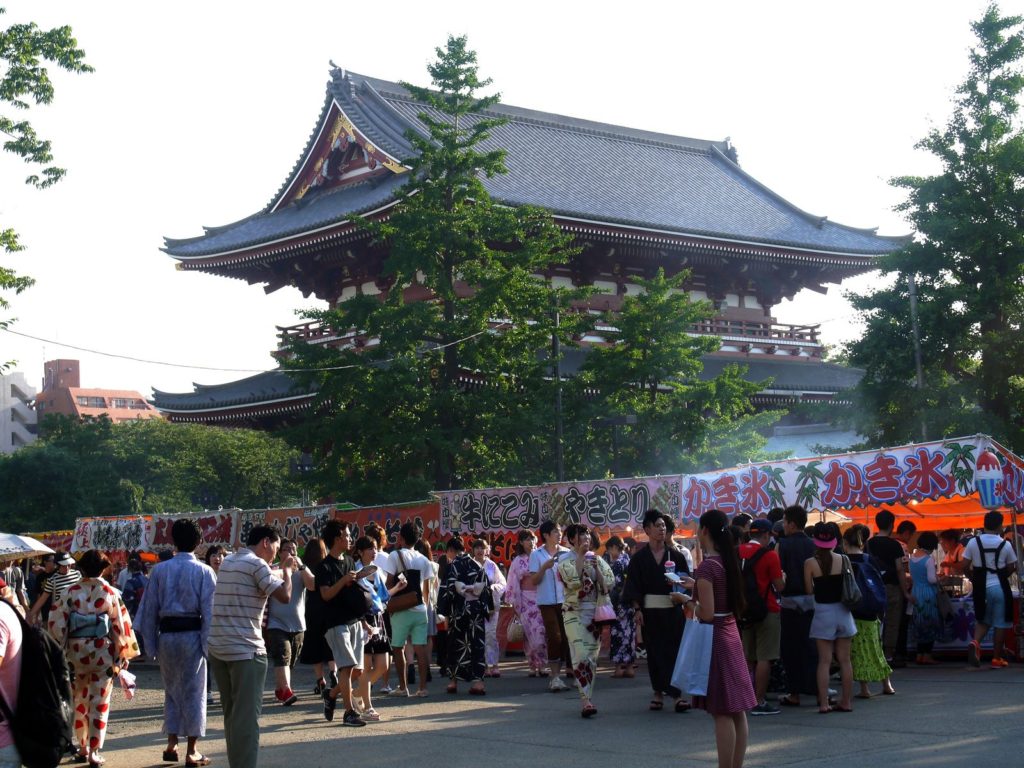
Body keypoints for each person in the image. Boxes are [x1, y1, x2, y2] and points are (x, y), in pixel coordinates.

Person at [208, 526, 294, 767]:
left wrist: (278, 569)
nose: (277, 555)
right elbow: (285, 596)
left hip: (219, 648)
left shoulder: (230, 561)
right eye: (276, 548)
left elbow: (264, 575)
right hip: (245, 651)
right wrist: (287, 570)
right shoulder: (257, 565)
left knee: (233, 717)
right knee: (246, 720)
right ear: (266, 542)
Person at [135, 518, 217, 767]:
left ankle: (172, 743)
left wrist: (150, 645)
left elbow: (148, 611)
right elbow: (210, 613)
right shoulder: (205, 571)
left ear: (173, 541)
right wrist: (207, 646)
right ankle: (192, 750)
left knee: (171, 691)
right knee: (195, 692)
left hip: (167, 637)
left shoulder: (160, 570)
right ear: (199, 542)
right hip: (192, 636)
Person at [49, 549, 140, 767]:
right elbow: (121, 625)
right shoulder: (111, 592)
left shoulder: (70, 592)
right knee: (100, 702)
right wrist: (123, 653)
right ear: (104, 568)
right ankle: (94, 752)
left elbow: (57, 624)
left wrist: (59, 649)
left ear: (81, 568)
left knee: (79, 699)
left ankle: (82, 747)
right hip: (103, 652)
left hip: (76, 653)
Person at [692, 509, 756, 768]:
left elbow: (706, 613)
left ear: (704, 530)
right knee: (737, 709)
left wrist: (687, 602)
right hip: (731, 633)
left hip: (716, 637)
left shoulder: (707, 567)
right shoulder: (727, 562)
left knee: (721, 711)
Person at [623, 510, 691, 712]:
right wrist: (637, 609)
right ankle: (658, 693)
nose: (662, 529)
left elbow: (686, 581)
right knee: (654, 653)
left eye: (664, 526)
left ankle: (677, 695)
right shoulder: (638, 558)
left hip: (672, 609)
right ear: (647, 529)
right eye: (658, 525)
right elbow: (633, 585)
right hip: (650, 611)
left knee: (675, 651)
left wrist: (681, 591)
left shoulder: (676, 556)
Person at [316, 520, 371, 726]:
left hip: (354, 620)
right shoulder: (324, 566)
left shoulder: (348, 561)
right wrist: (344, 580)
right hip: (335, 622)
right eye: (347, 535)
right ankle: (349, 713)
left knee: (356, 670)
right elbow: (326, 594)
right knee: (346, 668)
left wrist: (364, 621)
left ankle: (330, 695)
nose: (350, 539)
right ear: (338, 538)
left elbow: (354, 592)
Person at [556, 524, 613, 718]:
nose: (585, 538)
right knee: (580, 653)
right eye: (580, 535)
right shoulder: (564, 559)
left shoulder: (597, 559)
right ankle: (585, 699)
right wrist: (580, 556)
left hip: (593, 614)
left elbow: (608, 584)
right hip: (573, 612)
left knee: (591, 657)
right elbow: (572, 582)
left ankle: (587, 696)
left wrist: (597, 571)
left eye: (587, 534)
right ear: (572, 539)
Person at [804, 522, 856, 714]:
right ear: (834, 540)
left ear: (815, 541)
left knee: (824, 661)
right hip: (843, 612)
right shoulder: (844, 560)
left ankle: (824, 703)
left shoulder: (810, 563)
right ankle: (846, 702)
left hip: (822, 613)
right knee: (845, 660)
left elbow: (809, 591)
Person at [738, 518, 785, 715]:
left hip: (744, 610)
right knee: (765, 657)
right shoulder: (769, 555)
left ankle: (745, 698)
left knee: (748, 657)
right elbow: (779, 586)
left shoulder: (736, 551)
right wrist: (783, 578)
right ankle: (758, 700)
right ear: (766, 535)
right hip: (767, 609)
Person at [381, 522, 432, 698]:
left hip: (401, 609)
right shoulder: (424, 560)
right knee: (420, 648)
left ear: (401, 538)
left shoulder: (394, 556)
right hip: (420, 609)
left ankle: (403, 688)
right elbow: (426, 590)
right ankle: (423, 688)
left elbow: (388, 583)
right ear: (418, 539)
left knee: (397, 647)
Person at [843, 527, 894, 698]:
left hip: (853, 611)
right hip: (871, 610)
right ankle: (887, 684)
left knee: (858, 652)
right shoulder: (869, 559)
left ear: (845, 543)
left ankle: (865, 689)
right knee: (876, 648)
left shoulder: (843, 560)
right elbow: (880, 582)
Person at [962, 510, 1017, 668]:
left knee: (982, 618)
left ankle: (975, 642)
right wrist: (1001, 576)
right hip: (999, 587)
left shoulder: (973, 542)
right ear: (1000, 525)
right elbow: (1011, 566)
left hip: (980, 588)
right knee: (1000, 623)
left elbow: (964, 566)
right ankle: (996, 658)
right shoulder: (1005, 544)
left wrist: (973, 578)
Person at [776, 505, 818, 707]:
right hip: (812, 604)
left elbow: (777, 577)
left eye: (785, 522)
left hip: (789, 603)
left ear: (792, 524)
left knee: (790, 649)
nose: (783, 526)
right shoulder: (814, 545)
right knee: (813, 648)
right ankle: (819, 690)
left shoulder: (781, 545)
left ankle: (794, 693)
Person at [353, 535, 398, 722]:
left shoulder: (378, 571)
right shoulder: (354, 571)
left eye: (375, 548)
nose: (374, 552)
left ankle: (356, 693)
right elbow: (354, 600)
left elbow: (384, 597)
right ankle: (368, 707)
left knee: (383, 665)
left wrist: (399, 588)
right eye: (370, 548)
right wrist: (363, 622)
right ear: (361, 552)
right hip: (363, 620)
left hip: (379, 619)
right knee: (366, 666)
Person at [266, 539, 315, 706]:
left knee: (290, 660)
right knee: (282, 657)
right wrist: (284, 569)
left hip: (298, 623)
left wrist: (301, 566)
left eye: (293, 550)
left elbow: (313, 585)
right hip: (276, 623)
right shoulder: (273, 570)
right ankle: (287, 691)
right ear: (280, 552)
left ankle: (281, 689)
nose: (291, 553)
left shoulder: (302, 570)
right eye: (286, 549)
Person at [442, 537, 490, 695]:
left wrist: (446, 614)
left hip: (459, 611)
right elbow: (485, 590)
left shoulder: (452, 566)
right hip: (475, 610)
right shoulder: (478, 565)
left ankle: (453, 681)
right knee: (477, 644)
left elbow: (447, 591)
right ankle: (478, 683)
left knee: (456, 645)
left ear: (451, 551)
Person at [529, 520, 571, 692]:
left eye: (560, 531)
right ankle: (554, 677)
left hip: (566, 601)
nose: (559, 534)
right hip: (546, 602)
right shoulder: (536, 555)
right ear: (546, 535)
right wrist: (544, 568)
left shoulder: (567, 553)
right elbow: (534, 580)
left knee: (567, 638)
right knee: (555, 637)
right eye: (555, 531)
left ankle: (566, 674)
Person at [867, 510, 912, 668]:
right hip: (892, 587)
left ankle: (874, 653)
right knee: (892, 621)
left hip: (873, 588)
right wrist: (905, 591)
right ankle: (888, 655)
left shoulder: (869, 543)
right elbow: (900, 569)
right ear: (892, 525)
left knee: (875, 621)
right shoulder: (895, 545)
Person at [504, 530, 548, 676]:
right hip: (525, 600)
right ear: (521, 543)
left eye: (532, 539)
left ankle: (542, 665)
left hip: (542, 597)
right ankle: (532, 665)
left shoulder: (542, 556)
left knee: (541, 632)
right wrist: (514, 602)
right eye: (527, 539)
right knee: (528, 634)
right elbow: (512, 582)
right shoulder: (518, 561)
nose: (530, 542)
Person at [297, 538, 337, 696]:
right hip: (329, 607)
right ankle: (333, 672)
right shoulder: (327, 565)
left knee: (315, 645)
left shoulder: (305, 566)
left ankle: (320, 680)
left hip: (312, 610)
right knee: (330, 644)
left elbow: (309, 585)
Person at [471, 539, 506, 678]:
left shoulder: (492, 566)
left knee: (491, 635)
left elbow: (502, 583)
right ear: (473, 550)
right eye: (477, 547)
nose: (480, 550)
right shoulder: (469, 564)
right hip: (474, 604)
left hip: (490, 604)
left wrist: (492, 588)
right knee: (478, 635)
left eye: (482, 548)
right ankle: (483, 665)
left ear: (487, 550)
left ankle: (494, 664)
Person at [602, 535, 635, 678]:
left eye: (610, 549)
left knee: (617, 635)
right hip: (629, 602)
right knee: (630, 634)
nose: (609, 552)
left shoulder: (618, 562)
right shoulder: (628, 559)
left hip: (619, 602)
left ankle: (618, 668)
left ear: (614, 547)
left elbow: (616, 583)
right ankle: (629, 667)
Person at [909, 531, 941, 665]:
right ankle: (927, 655)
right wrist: (940, 579)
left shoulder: (912, 558)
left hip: (916, 592)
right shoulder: (928, 559)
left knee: (919, 623)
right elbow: (932, 579)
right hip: (927, 593)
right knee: (930, 623)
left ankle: (919, 654)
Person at [27, 552, 81, 631]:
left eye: (68, 565)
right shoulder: (53, 580)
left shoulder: (77, 575)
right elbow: (42, 598)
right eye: (64, 565)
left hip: (78, 613)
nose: (67, 568)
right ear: (58, 565)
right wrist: (30, 615)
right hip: (62, 616)